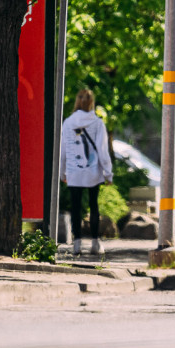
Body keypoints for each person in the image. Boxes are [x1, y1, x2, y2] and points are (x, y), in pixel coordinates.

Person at [61, 88, 112, 255]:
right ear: (92, 103)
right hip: (93, 171)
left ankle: (76, 244)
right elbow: (103, 150)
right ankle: (95, 243)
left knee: (75, 207)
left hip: (74, 170)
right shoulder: (97, 123)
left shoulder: (68, 123)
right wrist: (107, 172)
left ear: (77, 101)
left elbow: (64, 149)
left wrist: (62, 171)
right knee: (93, 205)